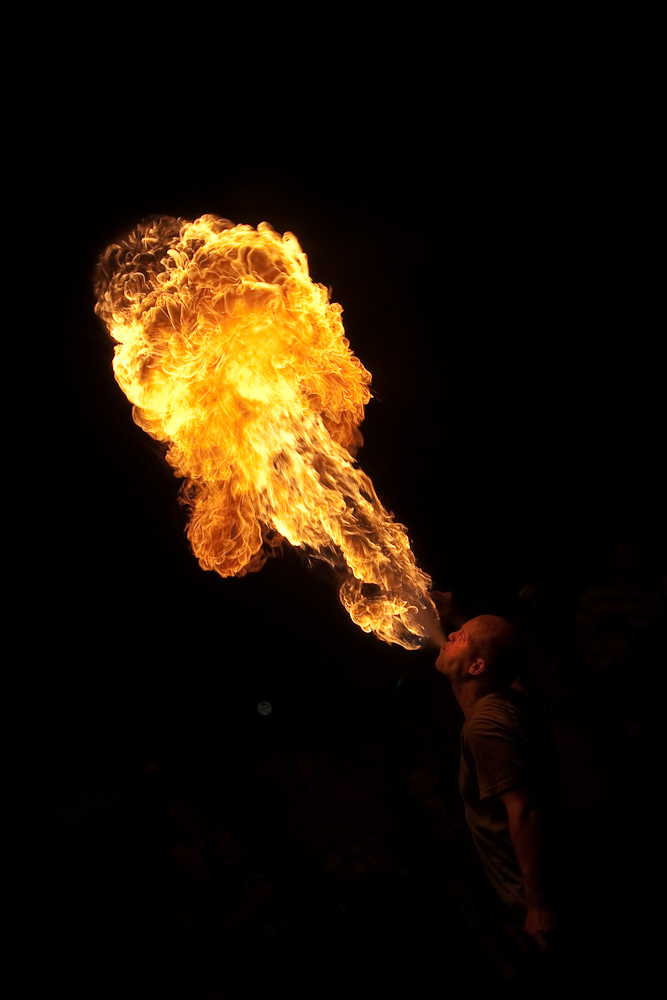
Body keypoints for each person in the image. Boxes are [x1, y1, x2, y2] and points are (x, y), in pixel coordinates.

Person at [435, 614, 559, 953]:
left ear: (476, 667)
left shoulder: (485, 725)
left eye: (460, 636)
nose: (449, 634)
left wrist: (538, 905)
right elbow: (505, 664)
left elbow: (525, 810)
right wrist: (460, 615)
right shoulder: (508, 700)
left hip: (542, 899)